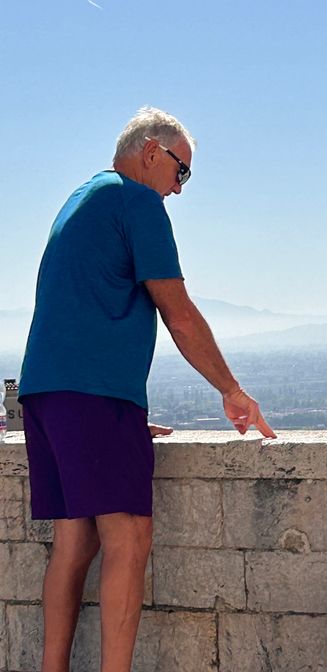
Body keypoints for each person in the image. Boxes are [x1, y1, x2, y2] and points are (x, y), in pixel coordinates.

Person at [18, 106, 276, 672]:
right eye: (182, 171)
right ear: (152, 151)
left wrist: (122, 417)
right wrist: (232, 390)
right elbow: (177, 312)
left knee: (74, 542)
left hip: (47, 391)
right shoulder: (136, 201)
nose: (179, 188)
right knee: (129, 538)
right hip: (93, 394)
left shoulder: (82, 197)